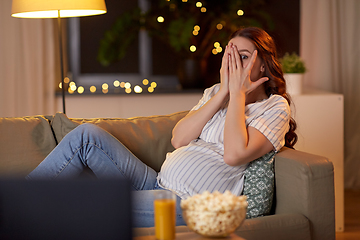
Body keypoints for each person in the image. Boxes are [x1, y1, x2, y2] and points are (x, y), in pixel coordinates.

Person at [26, 27, 297, 227]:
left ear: (264, 64)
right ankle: (16, 201)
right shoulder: (216, 92)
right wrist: (224, 92)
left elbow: (234, 154)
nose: (234, 64)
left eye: (244, 56)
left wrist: (237, 95)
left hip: (187, 204)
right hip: (155, 183)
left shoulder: (274, 108)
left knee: (92, 203)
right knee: (86, 136)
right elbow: (179, 138)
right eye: (230, 56)